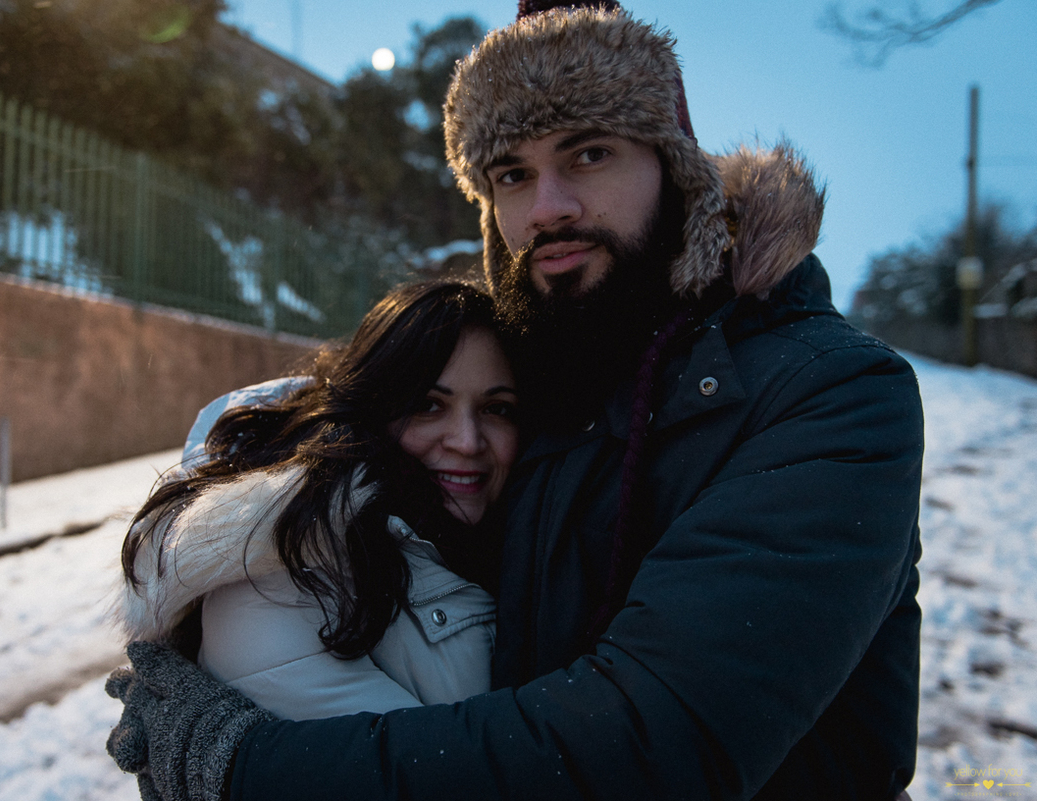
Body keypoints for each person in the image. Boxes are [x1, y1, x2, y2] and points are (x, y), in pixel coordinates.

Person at [106, 2, 924, 799]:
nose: (548, 208)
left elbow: (656, 744)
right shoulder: (542, 384)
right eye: (512, 173)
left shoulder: (832, 394)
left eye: (590, 154)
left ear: (676, 171)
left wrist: (247, 764)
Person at [113, 280, 519, 724]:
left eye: (496, 408)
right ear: (370, 409)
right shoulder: (273, 584)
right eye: (428, 405)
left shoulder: (506, 538)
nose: (468, 441)